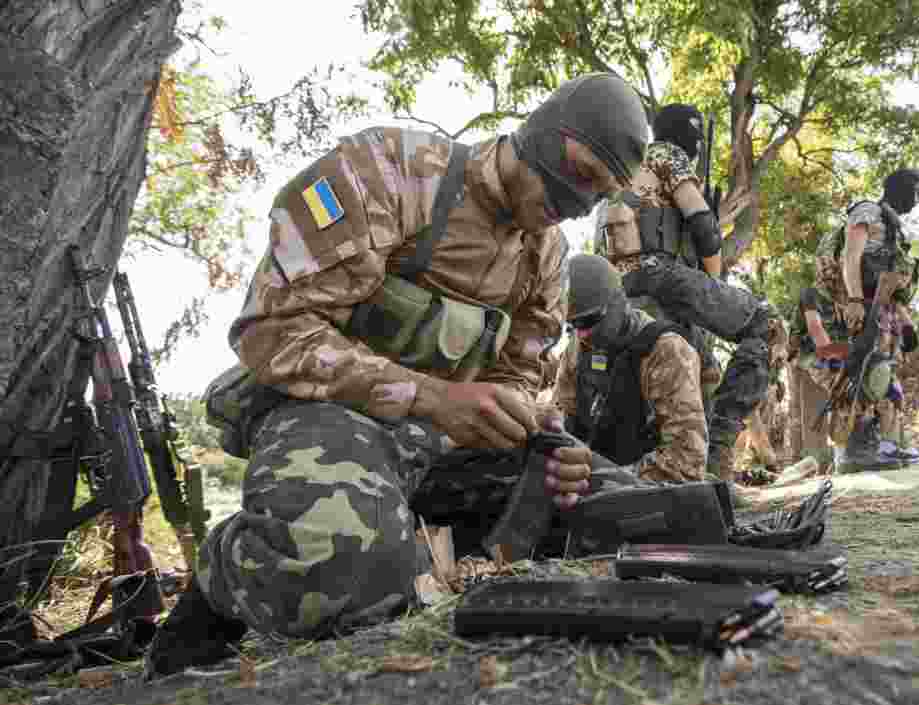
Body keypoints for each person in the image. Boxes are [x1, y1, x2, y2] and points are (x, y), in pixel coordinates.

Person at [145, 72, 650, 676]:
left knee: (629, 511)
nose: (578, 202)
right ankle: (229, 566)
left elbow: (519, 380)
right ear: (543, 132)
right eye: (581, 172)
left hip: (446, 442)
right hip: (329, 415)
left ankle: (419, 546)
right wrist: (431, 396)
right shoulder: (391, 171)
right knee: (334, 565)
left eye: (598, 195)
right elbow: (270, 329)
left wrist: (537, 440)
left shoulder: (546, 257)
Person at [593, 103, 786, 485]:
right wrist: (715, 278)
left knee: (705, 364)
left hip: (617, 288)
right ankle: (719, 451)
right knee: (768, 323)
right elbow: (704, 225)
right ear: (692, 137)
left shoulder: (624, 167)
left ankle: (703, 475)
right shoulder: (669, 154)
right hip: (660, 274)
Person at [794, 168, 919, 470]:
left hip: (882, 312)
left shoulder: (894, 228)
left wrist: (906, 324)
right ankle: (851, 453)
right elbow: (850, 257)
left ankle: (884, 446)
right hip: (856, 306)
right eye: (917, 191)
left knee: (881, 378)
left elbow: (891, 284)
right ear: (900, 188)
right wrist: (853, 301)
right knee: (858, 376)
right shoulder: (868, 211)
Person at [553, 254, 707, 483]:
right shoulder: (579, 347)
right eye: (573, 325)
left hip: (647, 489)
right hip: (585, 479)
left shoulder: (666, 351)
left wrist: (605, 478)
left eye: (589, 321)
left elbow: (687, 461)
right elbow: (562, 418)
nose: (582, 334)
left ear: (619, 301)